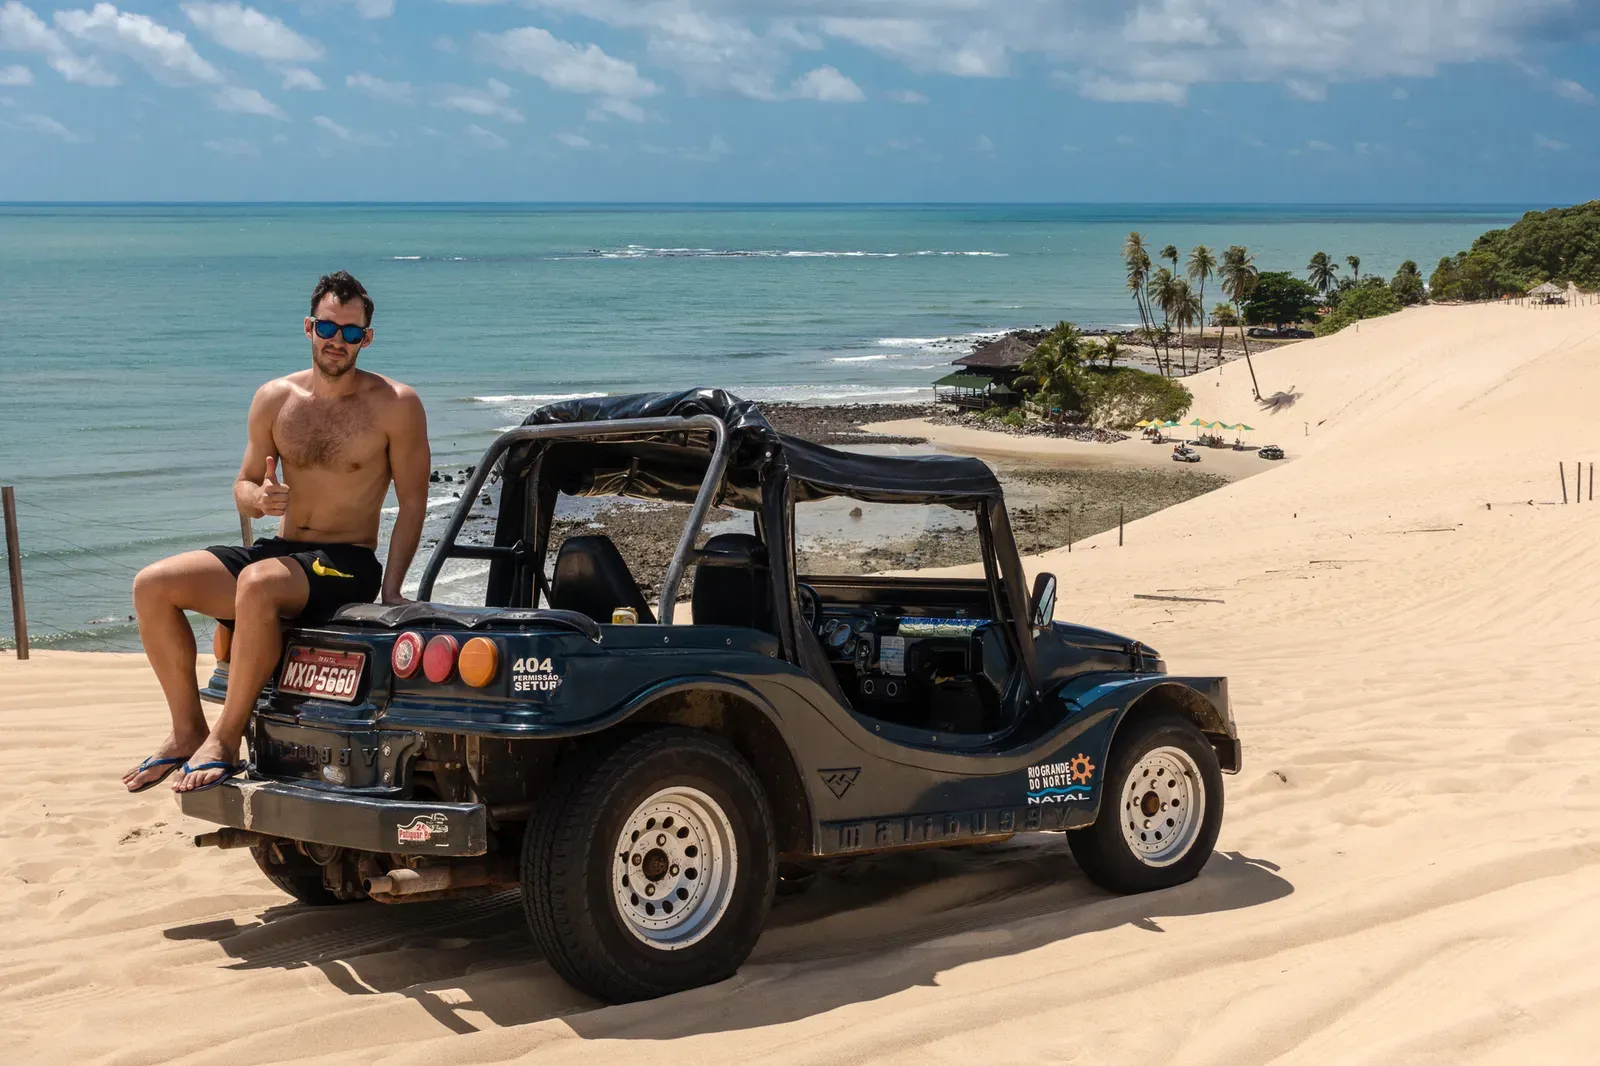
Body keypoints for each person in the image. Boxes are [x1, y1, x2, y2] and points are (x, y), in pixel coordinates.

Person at [123, 271, 430, 794]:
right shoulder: (273, 398)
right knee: (152, 585)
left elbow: (413, 503)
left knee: (259, 583)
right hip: (281, 554)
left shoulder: (396, 404)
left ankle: (223, 738)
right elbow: (243, 483)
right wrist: (259, 499)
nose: (339, 341)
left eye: (352, 333)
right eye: (330, 328)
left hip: (346, 562)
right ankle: (186, 729)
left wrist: (394, 588)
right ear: (310, 327)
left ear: (367, 339)